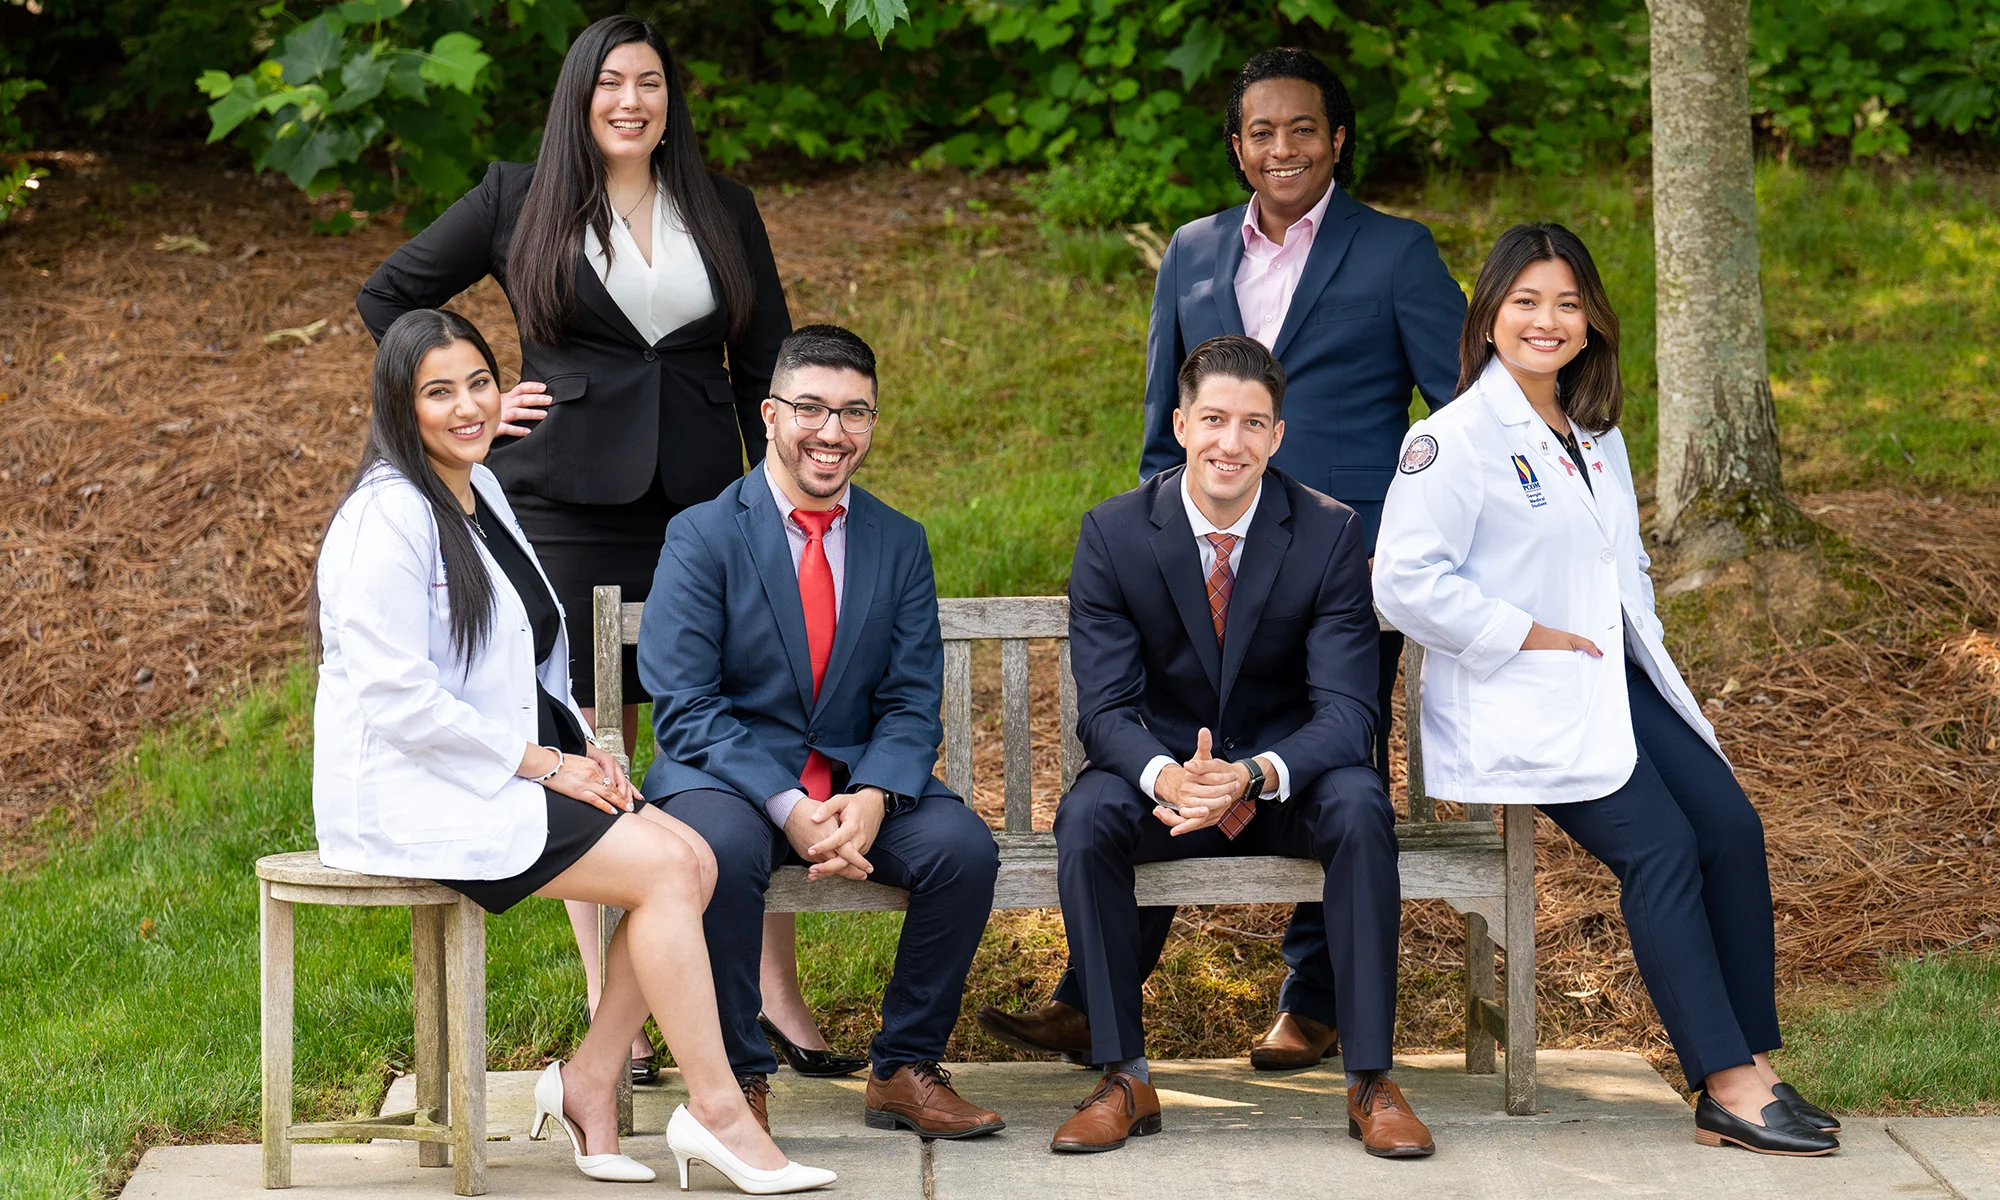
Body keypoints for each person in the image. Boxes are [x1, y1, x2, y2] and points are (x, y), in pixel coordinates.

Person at [353, 14, 853, 1082]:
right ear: (579, 95)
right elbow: (389, 295)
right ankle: (607, 1013)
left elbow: (766, 353)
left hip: (707, 500)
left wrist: (788, 469)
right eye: (611, 83)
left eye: (652, 84)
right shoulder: (512, 195)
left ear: (672, 99)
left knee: (737, 721)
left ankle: (772, 992)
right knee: (589, 734)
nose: (633, 101)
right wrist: (488, 390)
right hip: (567, 502)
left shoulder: (722, 205)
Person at [985, 48, 1467, 1072]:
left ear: (1337, 140)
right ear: (1236, 146)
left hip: (1337, 566)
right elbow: (1165, 424)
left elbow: (1459, 417)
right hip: (1199, 556)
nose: (1280, 147)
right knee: (1170, 753)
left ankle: (1316, 998)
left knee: (1336, 767)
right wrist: (1154, 537)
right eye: (1259, 131)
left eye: (1302, 128)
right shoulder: (1193, 251)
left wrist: (1404, 534)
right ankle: (1091, 998)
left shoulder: (1394, 253)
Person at [310, 308, 835, 1192]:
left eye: (480, 381)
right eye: (439, 392)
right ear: (399, 407)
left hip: (496, 772)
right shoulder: (384, 519)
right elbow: (400, 700)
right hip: (415, 790)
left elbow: (534, 661)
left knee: (692, 859)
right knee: (670, 872)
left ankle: (589, 1081)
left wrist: (593, 746)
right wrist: (546, 765)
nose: (469, 406)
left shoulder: (484, 493)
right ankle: (717, 1110)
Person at [1372, 224, 1841, 1157]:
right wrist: (1525, 632)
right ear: (1490, 317)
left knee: (1731, 831)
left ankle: (1754, 1057)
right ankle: (1725, 1086)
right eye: (1527, 302)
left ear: (1591, 322)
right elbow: (1402, 582)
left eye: (1569, 303)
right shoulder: (1451, 440)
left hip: (1616, 684)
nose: (1549, 321)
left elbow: (1625, 570)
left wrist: (1647, 668)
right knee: (1661, 850)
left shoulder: (1594, 436)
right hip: (1525, 694)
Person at [1011, 335, 1431, 1157]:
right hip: (1164, 791)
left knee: (1358, 801)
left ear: (1277, 436)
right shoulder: (1114, 534)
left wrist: (1250, 775)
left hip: (1281, 787)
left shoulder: (1328, 533)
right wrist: (1168, 776)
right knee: (1089, 812)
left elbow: (1348, 713)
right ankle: (1121, 1075)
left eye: (1252, 424)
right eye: (1212, 419)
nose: (1229, 443)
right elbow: (1103, 712)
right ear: (1179, 424)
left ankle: (1372, 1080)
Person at [638, 324, 1007, 1140]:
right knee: (717, 856)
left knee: (963, 850)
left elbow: (913, 698)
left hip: (853, 779)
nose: (832, 433)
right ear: (770, 413)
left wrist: (874, 795)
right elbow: (685, 702)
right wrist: (784, 804)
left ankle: (903, 1068)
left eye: (855, 413)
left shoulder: (899, 541)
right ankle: (737, 1081)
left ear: (874, 423)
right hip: (726, 781)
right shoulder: (703, 535)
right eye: (811, 408)